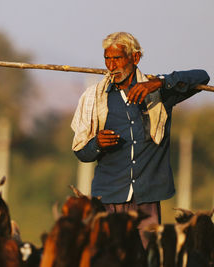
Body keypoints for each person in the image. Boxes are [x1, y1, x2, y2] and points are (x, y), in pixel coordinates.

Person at [70, 32, 210, 248]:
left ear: (134, 59)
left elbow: (202, 76)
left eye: (117, 58)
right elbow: (82, 153)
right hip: (109, 198)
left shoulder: (160, 93)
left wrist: (161, 83)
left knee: (150, 258)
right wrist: (97, 143)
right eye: (107, 58)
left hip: (147, 197)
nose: (111, 65)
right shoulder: (96, 98)